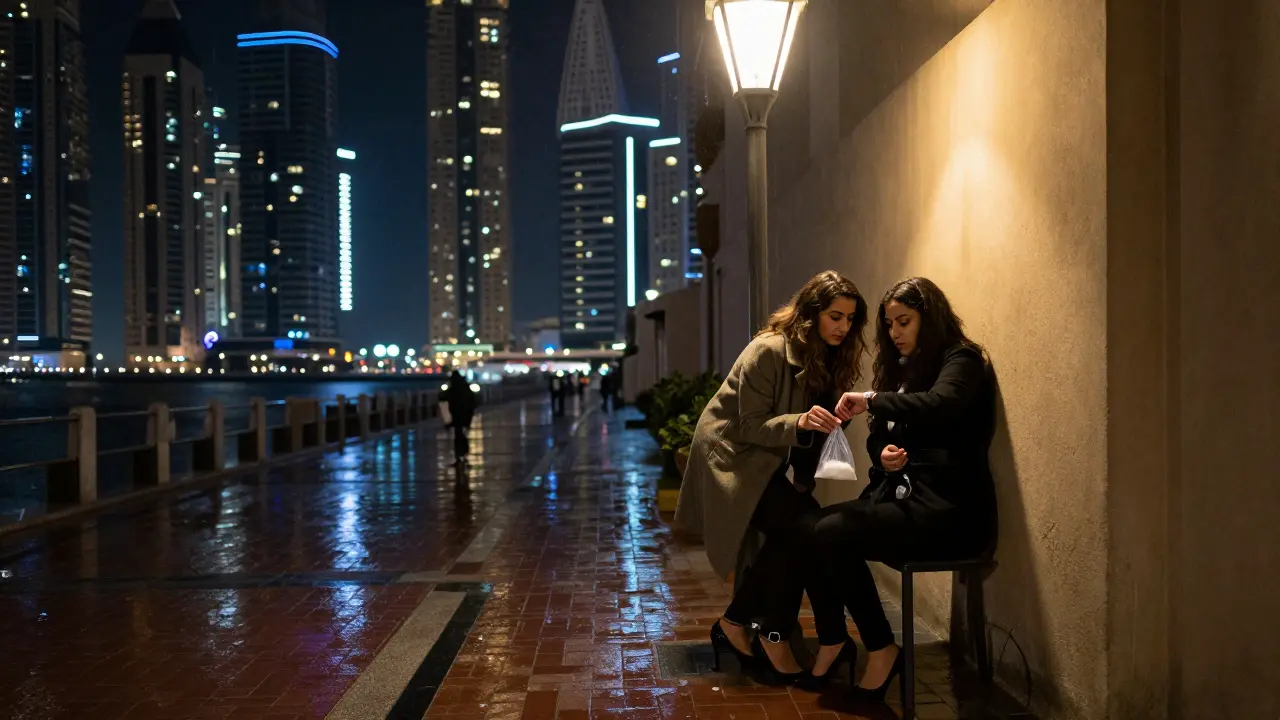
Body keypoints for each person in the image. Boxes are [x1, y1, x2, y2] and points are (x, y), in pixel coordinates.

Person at [807, 277, 997, 702]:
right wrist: (884, 453)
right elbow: (881, 435)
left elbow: (941, 404)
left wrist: (873, 398)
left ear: (929, 319)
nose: (894, 333)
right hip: (908, 500)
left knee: (831, 532)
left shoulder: (960, 360)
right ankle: (836, 640)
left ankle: (880, 648)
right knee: (810, 528)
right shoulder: (904, 371)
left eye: (904, 322)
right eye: (890, 324)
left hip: (950, 514)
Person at [674, 270, 869, 684]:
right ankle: (766, 630)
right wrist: (800, 421)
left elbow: (813, 431)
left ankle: (767, 629)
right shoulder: (769, 350)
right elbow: (748, 426)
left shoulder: (830, 358)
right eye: (835, 316)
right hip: (731, 457)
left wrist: (839, 420)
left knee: (812, 529)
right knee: (805, 528)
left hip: (768, 460)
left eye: (850, 319)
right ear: (812, 313)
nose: (843, 327)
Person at [441, 369, 477, 465]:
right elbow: (472, 400)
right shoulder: (465, 387)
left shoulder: (453, 389)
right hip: (465, 414)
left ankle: (459, 456)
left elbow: (443, 397)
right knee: (463, 434)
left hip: (456, 414)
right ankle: (464, 455)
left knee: (458, 435)